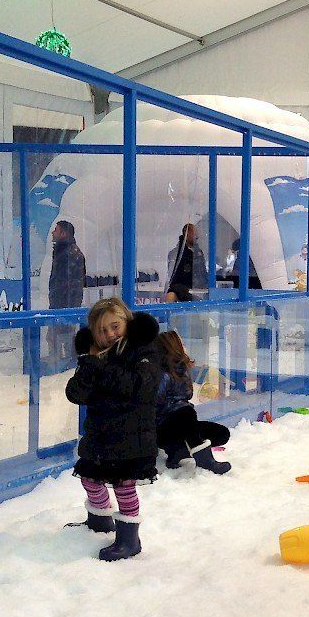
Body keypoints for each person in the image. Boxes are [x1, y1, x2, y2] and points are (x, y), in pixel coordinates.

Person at [65, 298, 162, 561]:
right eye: (102, 330)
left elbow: (139, 386)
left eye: (115, 327)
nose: (109, 334)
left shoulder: (143, 349)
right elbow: (75, 394)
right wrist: (89, 364)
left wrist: (102, 369)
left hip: (132, 435)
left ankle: (129, 539)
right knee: (90, 479)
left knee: (124, 486)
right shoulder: (94, 358)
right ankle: (99, 521)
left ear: (127, 323)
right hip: (100, 434)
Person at [155, 329, 231, 475]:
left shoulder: (181, 370)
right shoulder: (162, 375)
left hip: (184, 424)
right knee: (185, 412)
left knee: (221, 433)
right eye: (180, 343)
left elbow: (187, 395)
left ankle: (177, 451)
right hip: (165, 427)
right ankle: (205, 461)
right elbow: (155, 403)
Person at [47, 220, 86, 360]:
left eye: (56, 230)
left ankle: (60, 369)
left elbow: (67, 286)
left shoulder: (69, 254)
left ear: (63, 233)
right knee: (60, 340)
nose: (53, 232)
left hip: (64, 308)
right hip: (63, 307)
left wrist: (61, 309)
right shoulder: (64, 252)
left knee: (60, 340)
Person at [166, 222, 207, 302]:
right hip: (183, 290)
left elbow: (203, 271)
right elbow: (174, 276)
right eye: (195, 234)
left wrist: (205, 284)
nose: (197, 237)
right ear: (187, 234)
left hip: (198, 290)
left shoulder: (199, 252)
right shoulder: (176, 254)